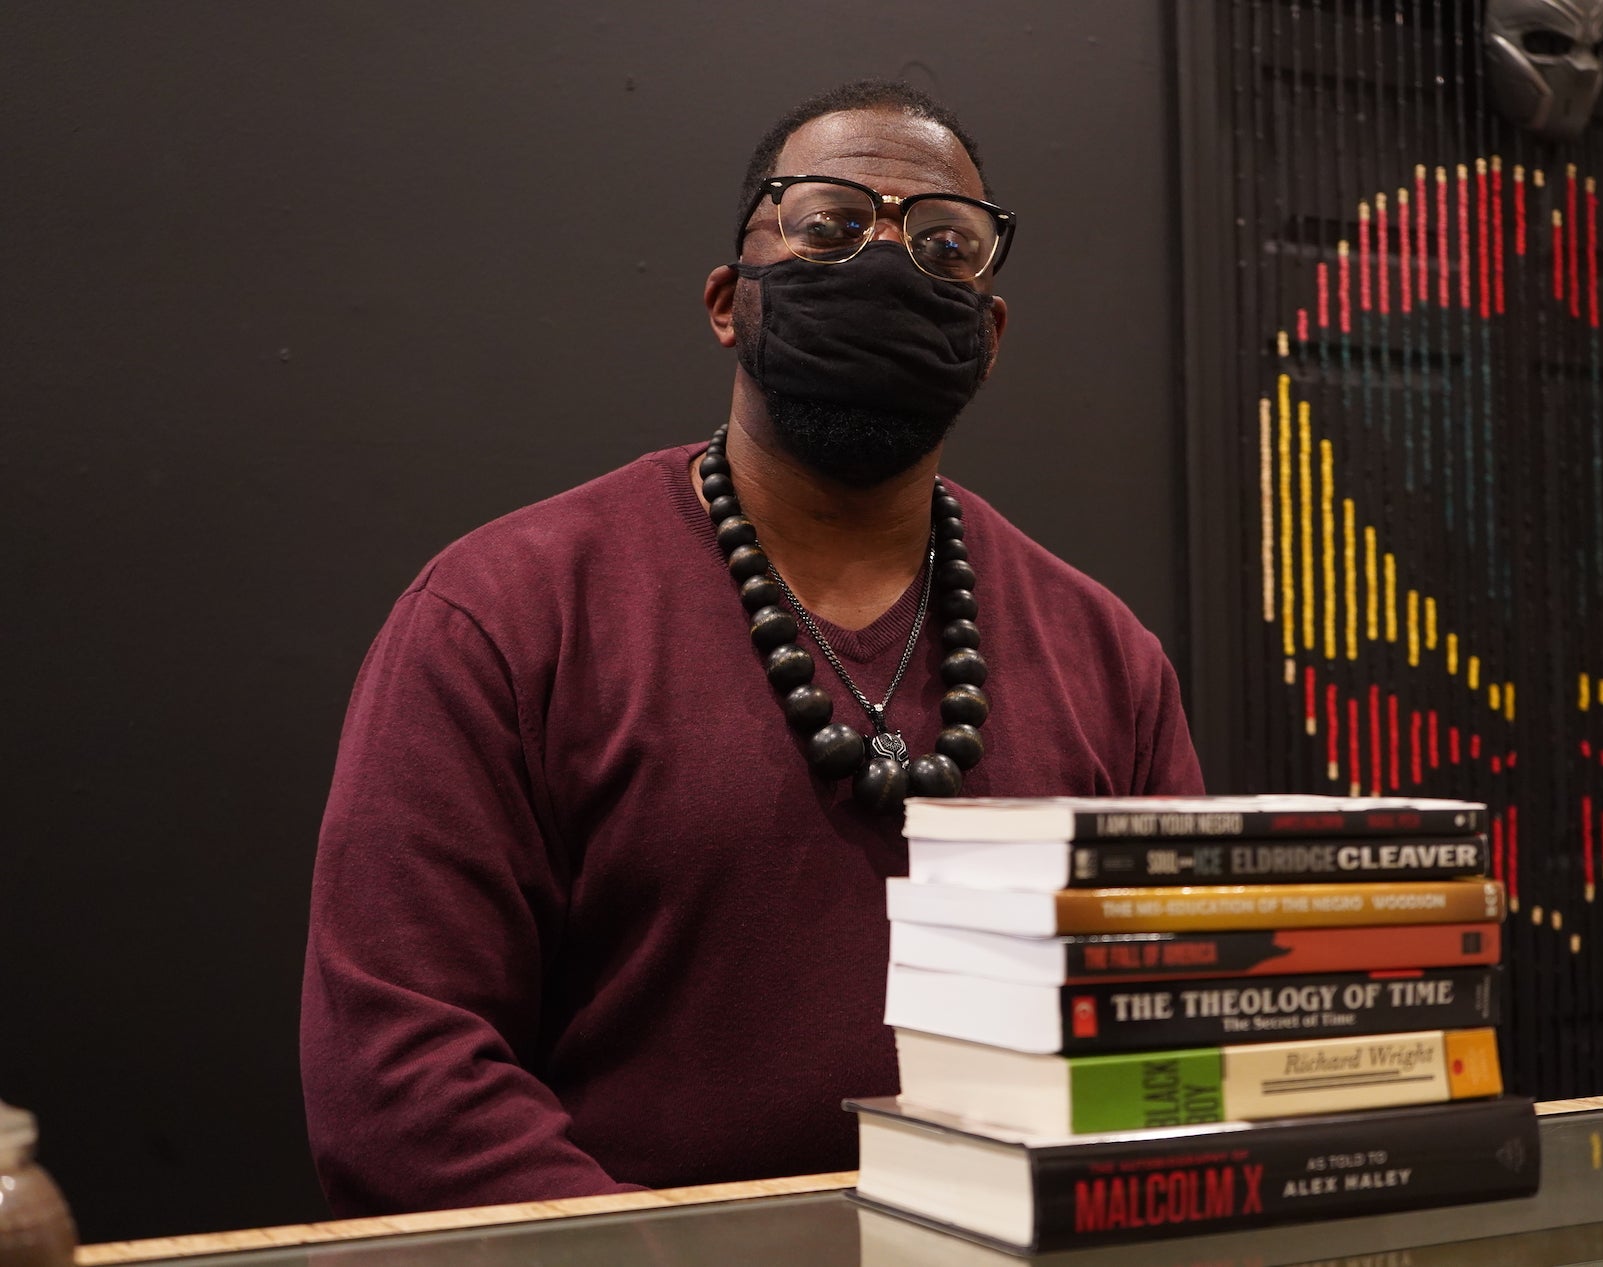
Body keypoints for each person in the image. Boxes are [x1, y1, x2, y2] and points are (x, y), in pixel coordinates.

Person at [301, 79, 1204, 1217]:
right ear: (730, 301)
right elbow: (398, 1077)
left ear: (990, 332)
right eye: (828, 226)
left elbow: (1170, 1039)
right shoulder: (504, 613)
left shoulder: (1107, 656)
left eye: (943, 245)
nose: (885, 263)